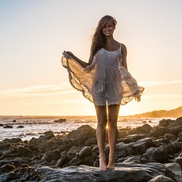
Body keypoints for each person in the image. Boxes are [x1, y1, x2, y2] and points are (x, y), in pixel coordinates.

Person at [61, 15, 144, 171]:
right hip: (98, 85)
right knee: (101, 122)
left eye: (110, 26)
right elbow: (88, 66)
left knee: (112, 122)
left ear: (114, 27)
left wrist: (134, 89)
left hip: (115, 86)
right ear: (101, 28)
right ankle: (102, 157)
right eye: (104, 27)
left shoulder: (122, 47)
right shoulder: (96, 45)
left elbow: (125, 70)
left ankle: (112, 159)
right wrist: (72, 57)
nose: (107, 29)